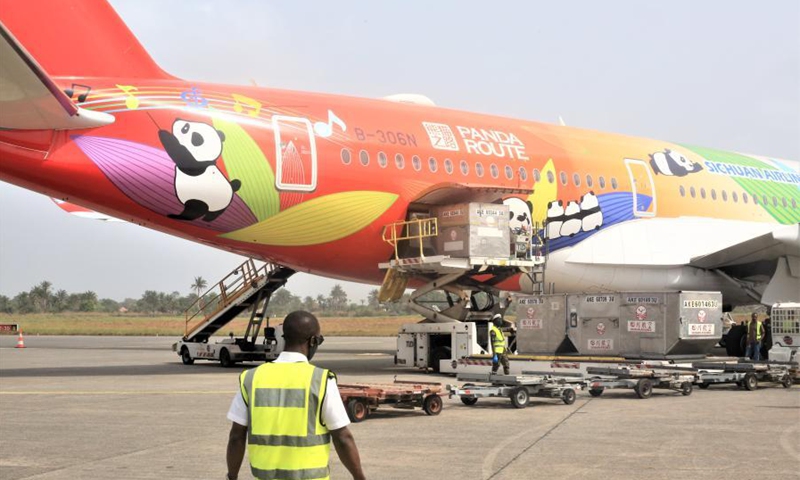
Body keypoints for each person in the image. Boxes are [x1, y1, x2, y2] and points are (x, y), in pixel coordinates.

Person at [225, 311, 366, 480]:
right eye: (318, 340)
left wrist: (231, 476)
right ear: (313, 341)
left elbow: (236, 437)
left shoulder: (251, 378)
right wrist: (360, 478)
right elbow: (343, 438)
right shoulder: (320, 380)